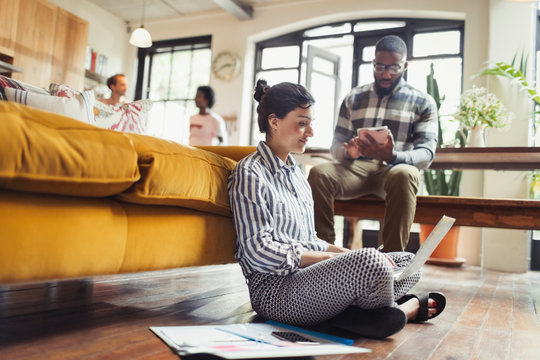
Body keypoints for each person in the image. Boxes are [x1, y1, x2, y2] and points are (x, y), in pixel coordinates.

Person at [228, 79, 445, 339]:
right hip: (276, 293)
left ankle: (357, 313)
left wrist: (345, 253)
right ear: (274, 122)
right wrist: (336, 260)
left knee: (408, 261)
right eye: (302, 123)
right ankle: (390, 309)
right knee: (372, 262)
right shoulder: (249, 173)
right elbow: (257, 251)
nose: (309, 132)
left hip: (310, 281)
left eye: (310, 123)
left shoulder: (297, 175)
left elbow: (310, 241)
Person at [307, 35, 438, 252]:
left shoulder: (423, 102)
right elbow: (336, 145)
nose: (386, 73)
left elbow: (426, 153)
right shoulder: (353, 98)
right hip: (356, 170)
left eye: (394, 67)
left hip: (395, 170)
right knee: (320, 173)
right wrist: (348, 152)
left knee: (405, 174)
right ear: (373, 64)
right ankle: (325, 251)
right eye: (380, 66)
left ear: (404, 66)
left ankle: (393, 258)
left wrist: (393, 156)